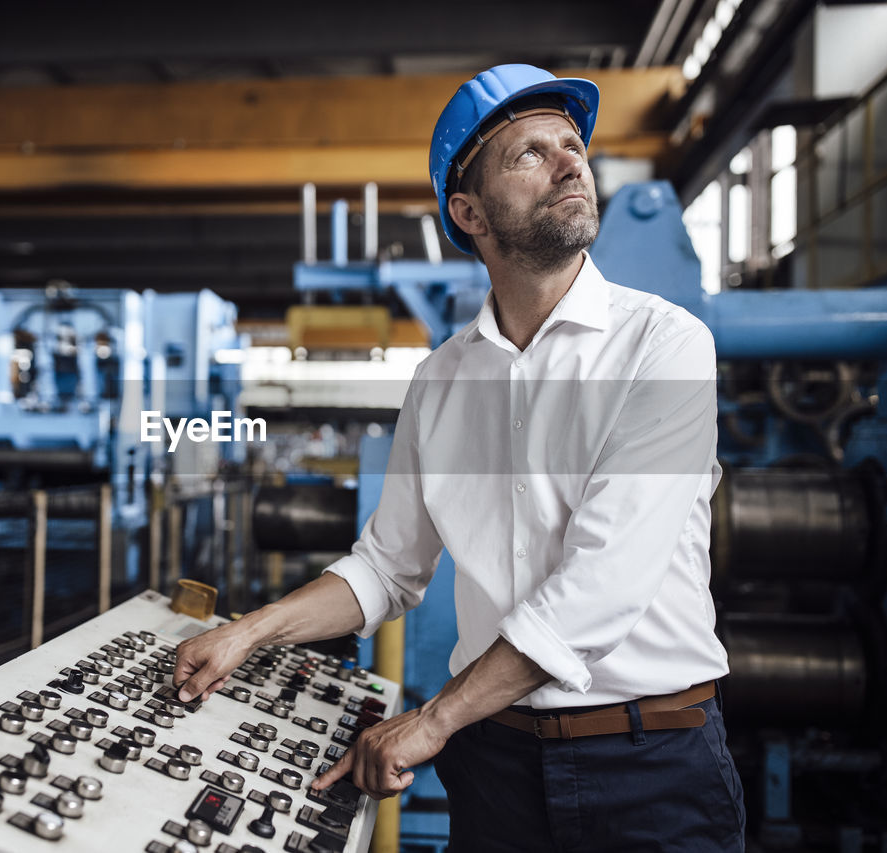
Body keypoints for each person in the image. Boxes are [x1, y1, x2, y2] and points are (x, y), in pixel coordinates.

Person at [175, 64, 745, 852]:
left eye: (572, 145)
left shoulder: (665, 345)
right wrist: (250, 631)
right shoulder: (441, 380)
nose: (569, 162)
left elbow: (605, 581)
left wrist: (433, 718)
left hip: (648, 765)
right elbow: (386, 569)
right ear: (468, 211)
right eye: (530, 154)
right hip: (495, 764)